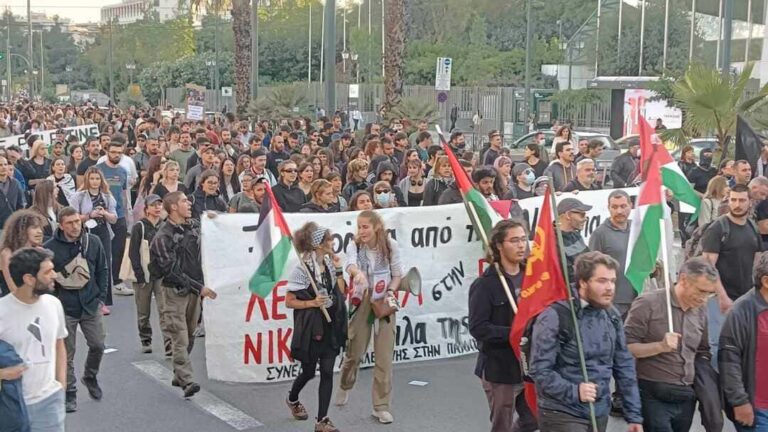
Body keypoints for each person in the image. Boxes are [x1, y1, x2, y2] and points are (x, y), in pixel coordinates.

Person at [529, 251, 643, 432]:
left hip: (599, 410)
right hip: (562, 412)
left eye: (612, 281)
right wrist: (574, 391)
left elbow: (624, 365)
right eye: (602, 281)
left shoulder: (611, 315)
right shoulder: (555, 316)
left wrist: (634, 415)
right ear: (583, 282)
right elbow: (539, 370)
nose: (610, 288)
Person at [624, 257, 716, 432]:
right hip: (653, 392)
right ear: (683, 280)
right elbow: (626, 347)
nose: (704, 299)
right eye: (701, 291)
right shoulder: (648, 303)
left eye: (710, 294)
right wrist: (660, 346)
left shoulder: (700, 310)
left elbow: (702, 351)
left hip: (686, 394)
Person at [469, 219, 537, 432]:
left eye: (523, 239)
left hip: (529, 364)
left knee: (534, 419)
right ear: (499, 245)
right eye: (514, 240)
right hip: (500, 367)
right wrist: (514, 333)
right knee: (502, 425)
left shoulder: (532, 277)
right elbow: (478, 328)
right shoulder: (485, 284)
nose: (521, 245)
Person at [149, 191, 217, 398]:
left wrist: (215, 220)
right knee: (179, 336)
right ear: (173, 207)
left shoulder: (193, 226)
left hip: (194, 291)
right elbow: (171, 271)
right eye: (184, 201)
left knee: (189, 334)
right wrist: (199, 287)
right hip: (174, 291)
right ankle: (187, 380)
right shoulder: (163, 237)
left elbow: (211, 229)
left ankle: (179, 373)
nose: (189, 204)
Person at [336, 211, 402, 424]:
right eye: (359, 227)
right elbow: (350, 264)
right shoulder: (354, 245)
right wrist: (357, 273)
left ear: (376, 227)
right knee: (355, 351)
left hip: (384, 300)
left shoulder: (390, 245)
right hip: (362, 299)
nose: (362, 231)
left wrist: (390, 291)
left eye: (365, 226)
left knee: (384, 356)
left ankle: (381, 406)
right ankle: (345, 384)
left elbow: (397, 275)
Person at [45, 207, 110, 413]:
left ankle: (90, 376)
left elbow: (103, 269)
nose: (75, 226)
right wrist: (54, 304)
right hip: (66, 307)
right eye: (70, 223)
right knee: (67, 354)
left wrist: (100, 298)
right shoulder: (50, 248)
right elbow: (46, 281)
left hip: (90, 303)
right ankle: (69, 393)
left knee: (98, 344)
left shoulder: (93, 242)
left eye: (77, 221)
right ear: (61, 225)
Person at [284, 223, 347, 432]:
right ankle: (293, 399)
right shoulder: (302, 270)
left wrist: (339, 270)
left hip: (330, 325)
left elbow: (340, 292)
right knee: (309, 371)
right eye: (328, 239)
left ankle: (322, 420)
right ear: (318, 244)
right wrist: (312, 303)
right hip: (312, 329)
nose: (332, 242)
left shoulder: (328, 264)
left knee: (327, 372)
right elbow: (289, 301)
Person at [0, 247, 67, 431]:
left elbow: (59, 344)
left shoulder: (54, 305)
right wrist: (3, 374)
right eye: (47, 272)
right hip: (10, 406)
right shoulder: (2, 311)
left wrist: (61, 386)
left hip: (50, 402)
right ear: (29, 279)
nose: (54, 275)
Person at [701, 184, 762, 365]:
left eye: (742, 200)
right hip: (719, 299)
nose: (737, 204)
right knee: (718, 345)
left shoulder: (752, 227)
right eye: (733, 200)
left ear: (750, 202)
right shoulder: (718, 228)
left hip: (745, 298)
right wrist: (722, 296)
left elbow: (757, 263)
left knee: (743, 345)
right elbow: (709, 266)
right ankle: (715, 381)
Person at [719, 252, 768, 431]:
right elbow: (729, 361)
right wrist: (739, 401)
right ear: (766, 281)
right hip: (759, 411)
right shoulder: (741, 311)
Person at [69, 167, 124, 309]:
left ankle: (104, 301)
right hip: (86, 233)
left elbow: (114, 219)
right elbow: (73, 217)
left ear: (101, 180)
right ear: (87, 180)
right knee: (88, 265)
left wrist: (105, 213)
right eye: (92, 178)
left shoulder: (107, 196)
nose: (94, 182)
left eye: (97, 179)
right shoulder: (79, 196)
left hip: (103, 232)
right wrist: (89, 215)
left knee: (104, 265)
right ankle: (88, 299)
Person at [129, 194, 170, 356]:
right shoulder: (139, 227)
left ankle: (168, 343)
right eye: (153, 205)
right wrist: (139, 275)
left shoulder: (165, 225)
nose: (157, 208)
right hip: (144, 275)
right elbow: (133, 252)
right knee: (143, 311)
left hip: (160, 275)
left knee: (164, 310)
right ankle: (145, 339)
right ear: (146, 209)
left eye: (159, 205)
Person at [588, 190, 634, 316]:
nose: (619, 211)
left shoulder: (637, 228)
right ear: (608, 208)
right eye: (614, 207)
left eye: (623, 206)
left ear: (631, 205)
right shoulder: (600, 234)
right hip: (613, 301)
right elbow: (592, 268)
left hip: (637, 297)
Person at [96, 141, 131, 295]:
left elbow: (124, 194)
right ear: (107, 152)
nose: (116, 155)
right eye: (113, 152)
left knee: (119, 250)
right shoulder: (98, 169)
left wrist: (127, 214)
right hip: (101, 215)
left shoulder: (123, 171)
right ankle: (100, 285)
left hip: (119, 215)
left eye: (119, 153)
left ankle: (117, 282)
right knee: (101, 252)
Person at [0, 210, 47, 297]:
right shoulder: (7, 253)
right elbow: (13, 287)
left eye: (40, 228)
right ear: (21, 230)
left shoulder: (39, 251)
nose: (40, 231)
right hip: (14, 301)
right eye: (34, 227)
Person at [557, 197, 592, 285]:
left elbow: (591, 260)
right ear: (568, 215)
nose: (585, 218)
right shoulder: (554, 242)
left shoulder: (576, 235)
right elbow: (569, 275)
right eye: (582, 215)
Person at [0, 156, 26, 231]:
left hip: (12, 227)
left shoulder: (15, 183)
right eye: (0, 165)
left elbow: (21, 204)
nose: (3, 167)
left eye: (5, 164)